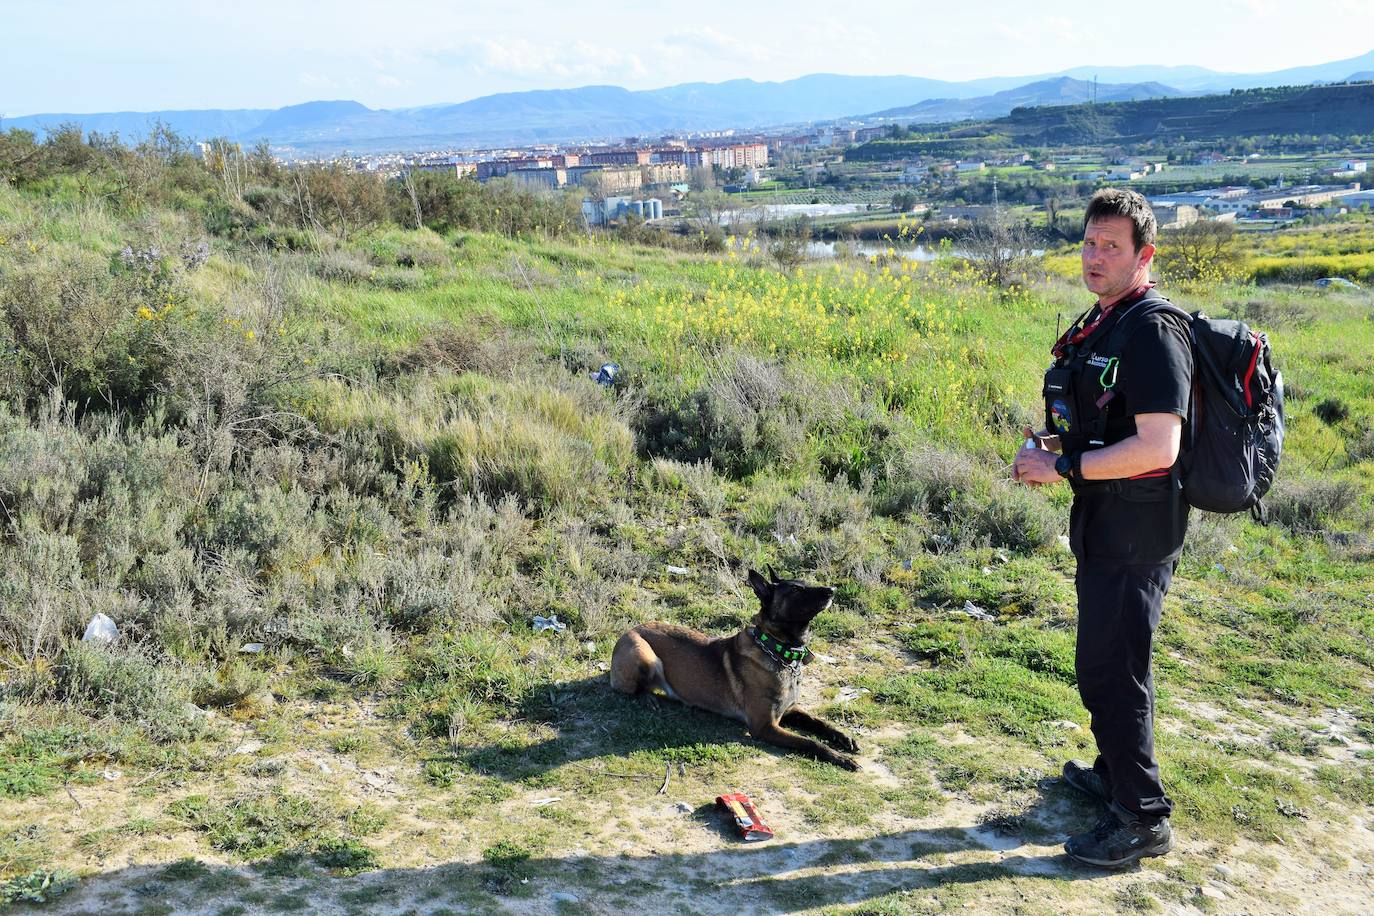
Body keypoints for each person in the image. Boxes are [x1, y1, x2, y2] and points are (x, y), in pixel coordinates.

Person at [1013, 188, 1192, 868]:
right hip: (1110, 521)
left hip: (1137, 531)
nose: (1094, 256)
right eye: (1089, 243)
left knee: (1111, 673)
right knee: (1112, 666)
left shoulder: (1151, 330)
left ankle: (1142, 818)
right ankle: (1115, 778)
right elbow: (1110, 429)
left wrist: (1062, 470)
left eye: (1111, 247)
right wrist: (1054, 452)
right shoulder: (1108, 319)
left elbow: (1158, 447)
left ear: (1144, 255)